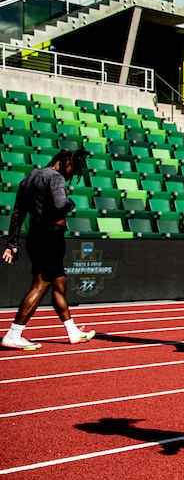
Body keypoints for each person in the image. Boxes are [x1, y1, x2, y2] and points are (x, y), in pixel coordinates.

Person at [2, 150, 96, 350]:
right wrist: (71, 203)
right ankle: (14, 333)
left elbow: (18, 213)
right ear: (65, 162)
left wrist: (12, 243)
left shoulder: (29, 178)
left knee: (59, 283)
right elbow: (61, 204)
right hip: (50, 236)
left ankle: (72, 332)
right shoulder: (55, 177)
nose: (73, 174)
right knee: (41, 284)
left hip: (36, 236)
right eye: (74, 169)